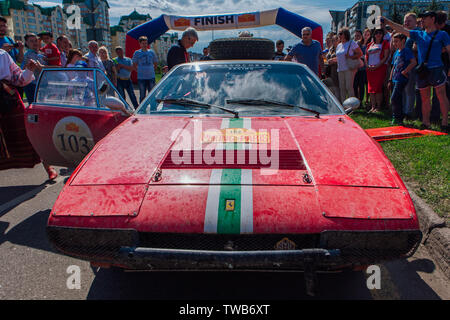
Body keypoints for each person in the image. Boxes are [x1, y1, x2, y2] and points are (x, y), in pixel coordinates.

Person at [382, 12, 450, 132]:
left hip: (437, 68)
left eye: (425, 18)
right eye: (421, 18)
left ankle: (444, 122)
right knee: (424, 97)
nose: (422, 20)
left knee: (441, 96)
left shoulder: (442, 34)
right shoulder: (418, 34)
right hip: (423, 70)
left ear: (433, 19)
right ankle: (425, 122)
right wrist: (388, 22)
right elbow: (401, 29)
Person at [0, 49, 57, 179]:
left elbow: (19, 80)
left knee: (27, 133)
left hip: (8, 98)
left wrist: (29, 70)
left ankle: (48, 167)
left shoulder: (2, 55)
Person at [388, 33, 417, 125]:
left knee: (394, 98)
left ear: (403, 41)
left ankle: (397, 117)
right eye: (393, 41)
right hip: (395, 79)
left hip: (402, 79)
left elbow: (413, 62)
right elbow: (393, 66)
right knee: (397, 99)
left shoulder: (406, 51)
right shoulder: (396, 52)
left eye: (396, 41)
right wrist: (390, 79)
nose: (394, 43)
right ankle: (398, 117)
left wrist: (405, 71)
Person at [335, 27, 363, 102]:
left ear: (345, 34)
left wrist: (351, 57)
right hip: (340, 69)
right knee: (342, 88)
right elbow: (339, 57)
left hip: (349, 68)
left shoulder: (352, 43)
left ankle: (352, 105)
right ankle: (344, 105)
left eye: (340, 33)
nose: (339, 35)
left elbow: (360, 53)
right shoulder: (339, 45)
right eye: (339, 34)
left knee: (349, 87)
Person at [365, 28, 390, 112]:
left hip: (380, 68)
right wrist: (367, 65)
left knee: (378, 87)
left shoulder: (385, 43)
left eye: (380, 33)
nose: (378, 35)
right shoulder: (370, 45)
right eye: (376, 33)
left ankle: (378, 107)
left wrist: (377, 66)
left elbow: (385, 56)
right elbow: (366, 56)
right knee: (371, 88)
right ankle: (373, 106)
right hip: (370, 69)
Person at [21, 33, 46, 104]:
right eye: (31, 41)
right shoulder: (28, 54)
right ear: (26, 43)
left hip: (40, 84)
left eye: (35, 40)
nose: (35, 43)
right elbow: (40, 67)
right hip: (31, 84)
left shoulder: (40, 53)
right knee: (34, 106)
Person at [403, 12, 420, 118]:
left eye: (409, 21)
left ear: (415, 21)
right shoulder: (407, 34)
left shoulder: (417, 33)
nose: (406, 23)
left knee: (410, 90)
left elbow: (416, 49)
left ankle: (408, 111)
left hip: (413, 66)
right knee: (405, 89)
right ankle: (405, 109)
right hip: (405, 65)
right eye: (405, 21)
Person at [132, 36, 158, 103]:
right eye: (143, 43)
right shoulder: (137, 53)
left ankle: (153, 108)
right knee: (142, 94)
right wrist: (139, 70)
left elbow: (155, 63)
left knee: (152, 94)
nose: (145, 45)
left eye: (146, 43)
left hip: (151, 77)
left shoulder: (151, 52)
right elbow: (134, 64)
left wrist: (152, 70)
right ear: (140, 44)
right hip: (141, 77)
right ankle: (142, 110)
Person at [325, 35, 340, 100]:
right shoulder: (331, 49)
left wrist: (333, 60)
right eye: (332, 41)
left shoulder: (340, 48)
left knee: (337, 87)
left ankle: (339, 101)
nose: (333, 42)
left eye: (334, 40)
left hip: (337, 69)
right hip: (330, 70)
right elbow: (327, 57)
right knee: (331, 87)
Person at [353, 29, 366, 103]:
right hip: (354, 69)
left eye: (358, 36)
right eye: (355, 36)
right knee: (354, 85)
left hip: (362, 68)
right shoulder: (352, 46)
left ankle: (360, 101)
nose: (357, 37)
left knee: (361, 85)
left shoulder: (363, 46)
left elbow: (364, 56)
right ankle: (355, 101)